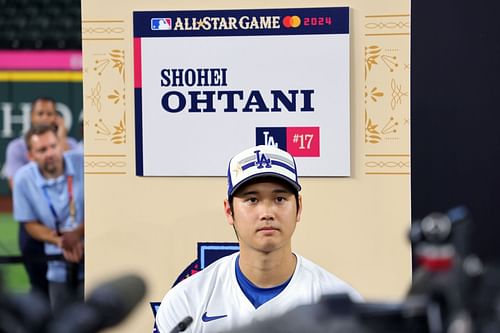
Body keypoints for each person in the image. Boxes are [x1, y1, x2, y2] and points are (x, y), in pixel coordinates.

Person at [156, 145, 362, 333]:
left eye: (279, 199)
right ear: (229, 211)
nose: (266, 213)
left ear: (299, 208)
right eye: (252, 200)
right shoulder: (186, 300)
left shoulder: (339, 305)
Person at [3, 97, 78, 298]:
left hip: (74, 231)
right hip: (38, 222)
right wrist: (57, 237)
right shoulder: (17, 149)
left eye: (50, 113)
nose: (45, 118)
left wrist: (60, 136)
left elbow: (70, 170)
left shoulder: (70, 146)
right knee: (40, 287)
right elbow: (18, 187)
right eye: (40, 113)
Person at [12, 124, 84, 313]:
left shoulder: (83, 163)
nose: (50, 153)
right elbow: (30, 224)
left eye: (53, 146)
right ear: (30, 155)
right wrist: (59, 239)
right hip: (57, 266)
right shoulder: (22, 179)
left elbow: (104, 207)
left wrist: (76, 233)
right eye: (42, 150)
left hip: (96, 259)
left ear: (61, 145)